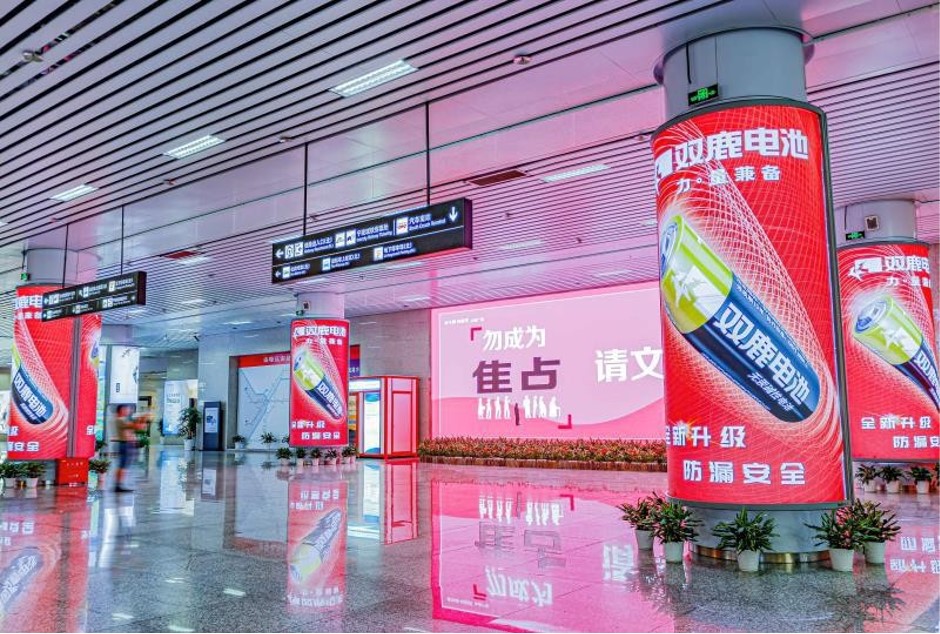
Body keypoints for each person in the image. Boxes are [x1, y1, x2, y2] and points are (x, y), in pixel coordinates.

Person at [114, 405, 139, 493]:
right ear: (121, 410)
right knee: (123, 466)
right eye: (126, 409)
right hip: (124, 444)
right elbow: (135, 426)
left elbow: (131, 430)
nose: (128, 411)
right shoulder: (120, 420)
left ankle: (119, 484)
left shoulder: (123, 419)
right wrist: (142, 418)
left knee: (124, 465)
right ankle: (118, 485)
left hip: (126, 444)